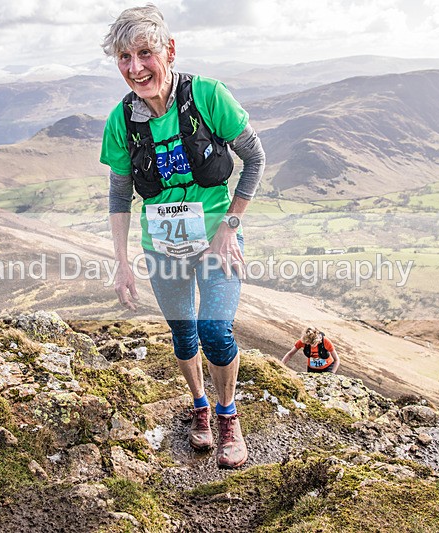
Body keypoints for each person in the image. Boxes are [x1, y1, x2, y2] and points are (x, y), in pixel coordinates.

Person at [100, 4, 265, 469]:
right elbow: (120, 195)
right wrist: (122, 262)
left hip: (216, 241)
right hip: (162, 248)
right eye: (124, 57)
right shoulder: (121, 121)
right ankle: (200, 406)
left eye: (145, 53)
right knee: (183, 333)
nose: (135, 68)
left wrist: (230, 226)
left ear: (169, 51)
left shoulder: (208, 96)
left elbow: (255, 159)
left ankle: (228, 416)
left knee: (215, 330)